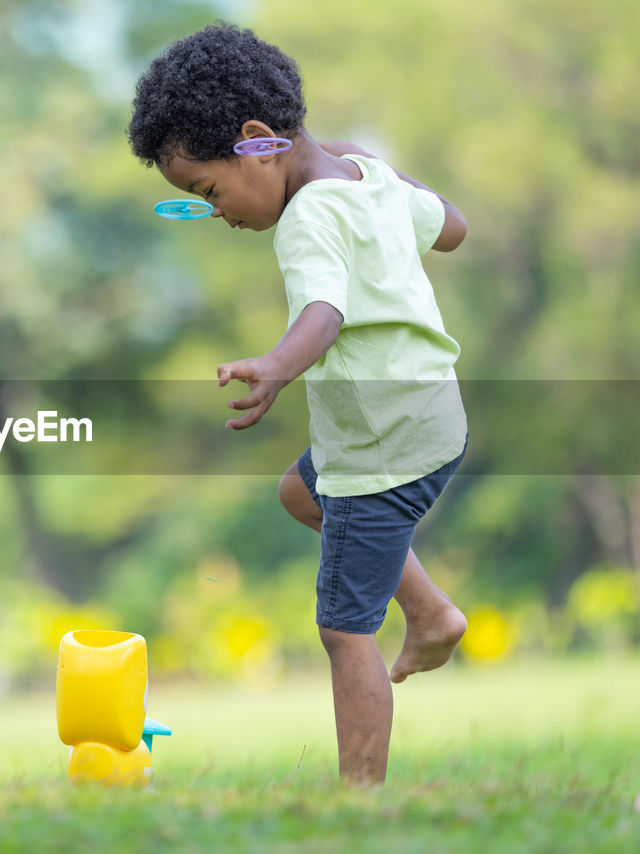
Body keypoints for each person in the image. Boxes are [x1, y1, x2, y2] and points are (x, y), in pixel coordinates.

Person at [128, 22, 470, 784]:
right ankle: (431, 612)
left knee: (344, 629)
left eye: (208, 191)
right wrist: (380, 170)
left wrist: (279, 367)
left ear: (257, 141)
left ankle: (361, 798)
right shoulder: (366, 178)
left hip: (381, 448)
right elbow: (453, 229)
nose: (215, 212)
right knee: (299, 492)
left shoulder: (308, 216)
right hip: (431, 424)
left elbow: (324, 310)